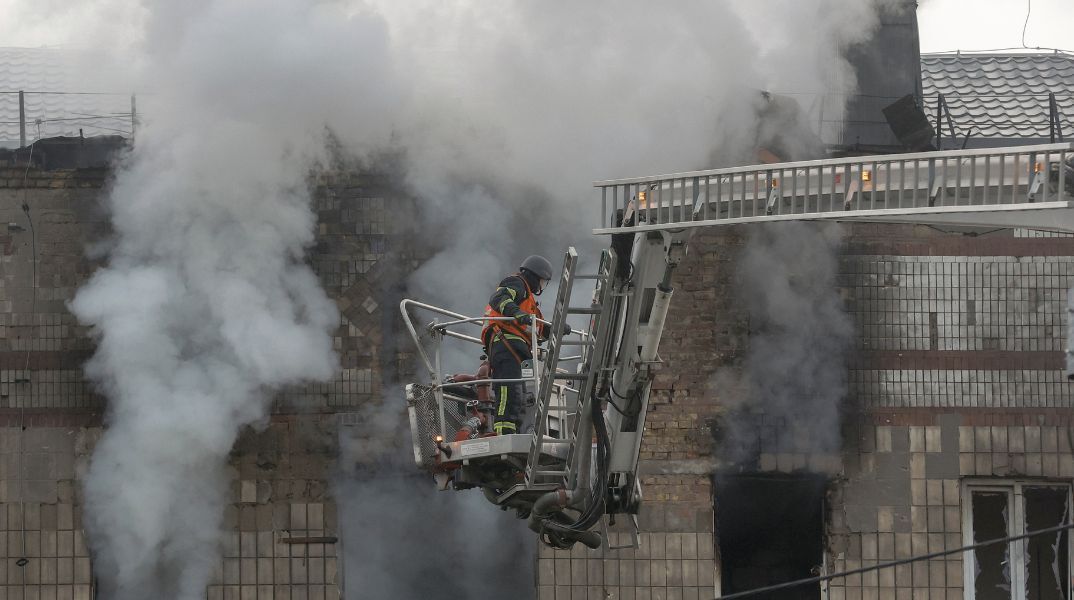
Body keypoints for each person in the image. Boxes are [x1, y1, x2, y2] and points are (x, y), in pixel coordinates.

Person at [480, 255, 569, 435]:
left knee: (519, 396)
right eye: (542, 281)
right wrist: (518, 313)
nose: (541, 286)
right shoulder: (516, 283)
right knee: (508, 390)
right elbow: (499, 299)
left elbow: (539, 327)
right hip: (504, 343)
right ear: (534, 276)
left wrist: (557, 329)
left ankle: (513, 432)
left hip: (516, 349)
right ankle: (503, 433)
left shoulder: (529, 302)